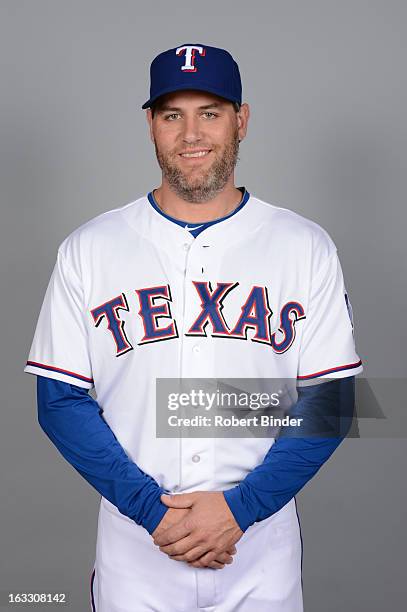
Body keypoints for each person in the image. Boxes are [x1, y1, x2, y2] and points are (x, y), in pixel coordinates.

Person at [24, 43, 363, 611]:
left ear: (242, 120)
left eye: (210, 112)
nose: (191, 134)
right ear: (150, 125)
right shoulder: (90, 248)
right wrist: (153, 512)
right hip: (138, 542)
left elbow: (331, 400)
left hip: (260, 541)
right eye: (171, 114)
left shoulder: (303, 246)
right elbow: (58, 400)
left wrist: (241, 509)